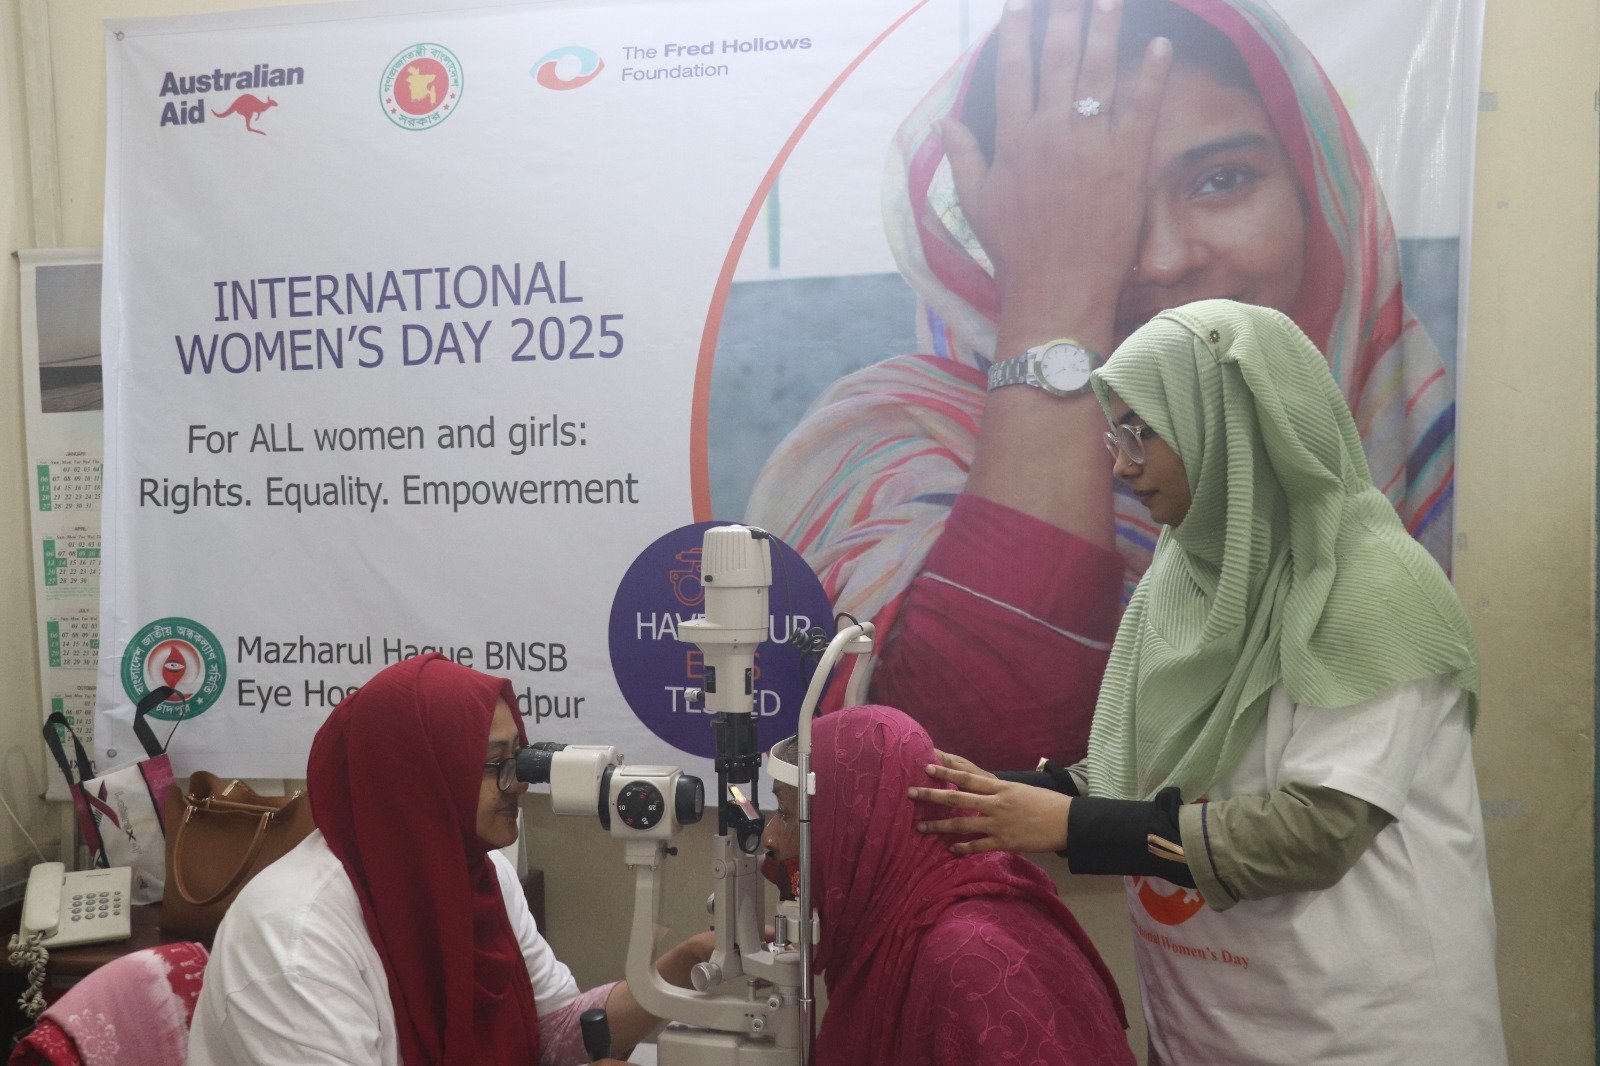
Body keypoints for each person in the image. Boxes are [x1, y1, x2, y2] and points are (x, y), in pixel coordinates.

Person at [745, 0, 1457, 771]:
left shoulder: (1405, 432)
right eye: (1080, 208)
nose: (1161, 259)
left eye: (1220, 180)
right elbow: (968, 758)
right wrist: (1056, 301)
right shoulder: (894, 443)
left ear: (1318, 189)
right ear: (998, 224)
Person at [909, 301, 1503, 1064]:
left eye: (1139, 433)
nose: (1120, 465)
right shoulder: (1183, 577)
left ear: (1227, 422)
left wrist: (1066, 824)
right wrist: (973, 797)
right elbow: (1150, 774)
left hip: (1363, 1041)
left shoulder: (1372, 589)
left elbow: (1313, 835)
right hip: (1206, 1035)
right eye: (1112, 435)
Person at [186, 653, 713, 1065]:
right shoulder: (293, 937)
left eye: (519, 756)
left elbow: (553, 1031)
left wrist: (687, 963)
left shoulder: (482, 875)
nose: (520, 782)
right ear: (416, 775)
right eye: (494, 764)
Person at [759, 704, 1134, 1064]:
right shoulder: (904, 918)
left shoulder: (970, 956)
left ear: (861, 825)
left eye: (787, 813)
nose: (770, 839)